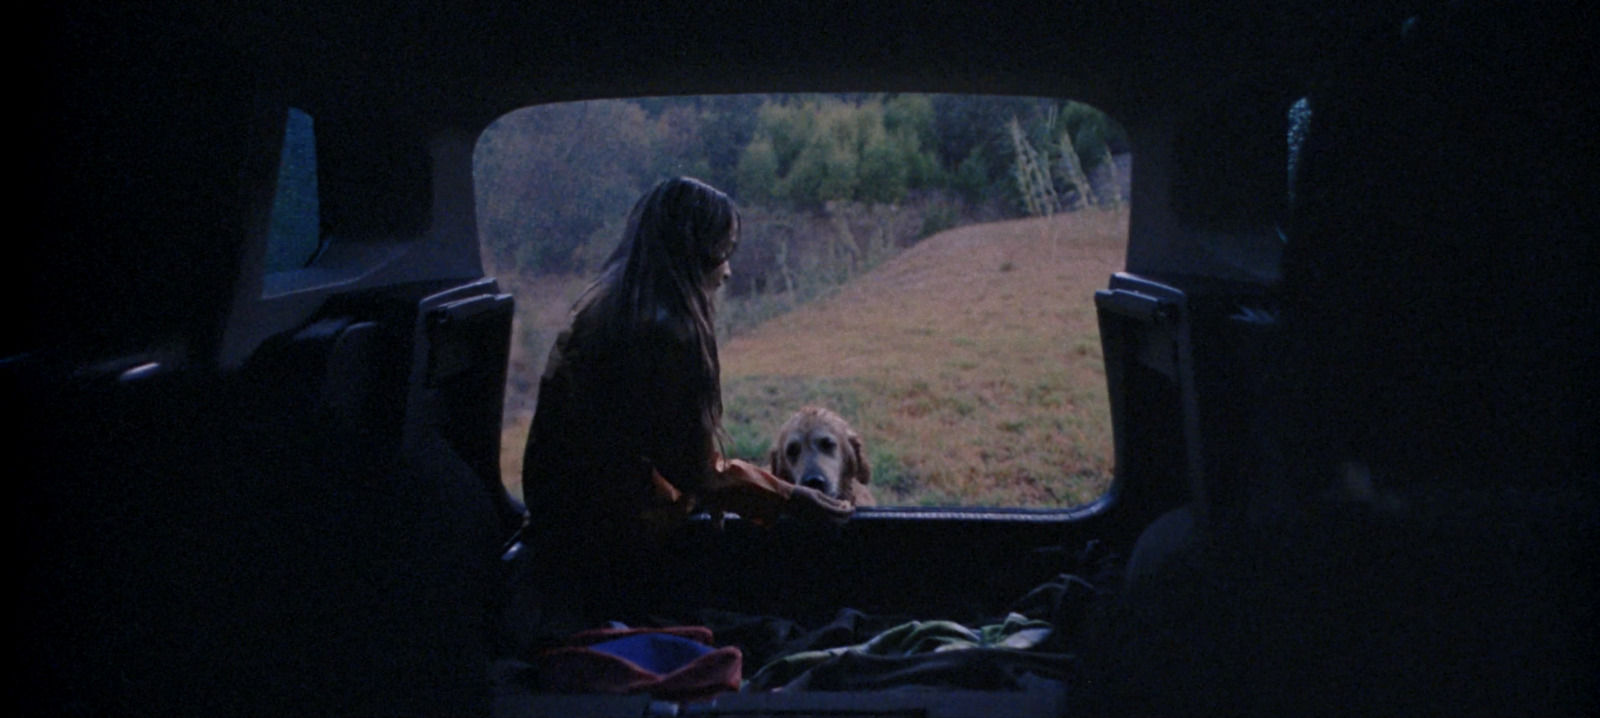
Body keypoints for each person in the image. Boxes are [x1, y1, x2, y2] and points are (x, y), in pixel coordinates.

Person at [519, 177, 850, 622]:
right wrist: (789, 498)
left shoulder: (605, 306)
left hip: (567, 535)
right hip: (606, 551)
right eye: (724, 251)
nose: (728, 271)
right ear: (692, 250)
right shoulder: (666, 330)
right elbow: (694, 470)